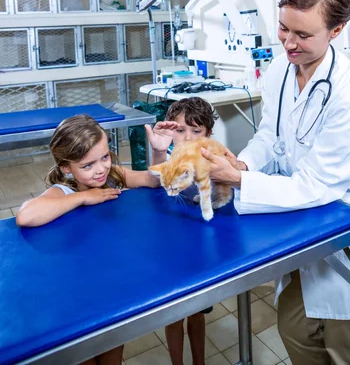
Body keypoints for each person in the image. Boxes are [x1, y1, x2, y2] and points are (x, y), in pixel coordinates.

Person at [201, 0, 350, 365]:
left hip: (341, 223)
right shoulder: (280, 69)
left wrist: (239, 180)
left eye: (303, 35)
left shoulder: (349, 91)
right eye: (283, 29)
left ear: (337, 30)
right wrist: (243, 162)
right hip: (300, 220)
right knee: (294, 328)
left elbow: (317, 185)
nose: (289, 43)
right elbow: (268, 138)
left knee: (343, 349)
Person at [16, 114, 159, 365]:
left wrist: (158, 154)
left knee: (113, 352)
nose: (101, 168)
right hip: (76, 296)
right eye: (88, 165)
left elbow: (152, 181)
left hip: (110, 285)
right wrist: (83, 198)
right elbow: (25, 216)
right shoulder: (63, 191)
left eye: (104, 157)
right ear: (66, 167)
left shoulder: (113, 174)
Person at [145, 97, 219, 365]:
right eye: (179, 130)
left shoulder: (212, 159)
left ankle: (199, 361)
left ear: (208, 134)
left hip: (200, 248)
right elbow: (153, 180)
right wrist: (158, 150)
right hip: (171, 246)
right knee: (173, 314)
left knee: (197, 312)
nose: (187, 138)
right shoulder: (170, 158)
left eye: (196, 131)